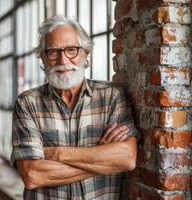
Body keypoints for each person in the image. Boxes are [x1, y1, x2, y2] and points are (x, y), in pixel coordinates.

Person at [11, 15, 140, 200]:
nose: (63, 60)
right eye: (53, 52)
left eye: (71, 50)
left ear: (85, 53)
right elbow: (32, 176)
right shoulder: (27, 103)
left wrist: (54, 153)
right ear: (43, 57)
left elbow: (126, 158)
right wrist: (101, 160)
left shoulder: (112, 96)